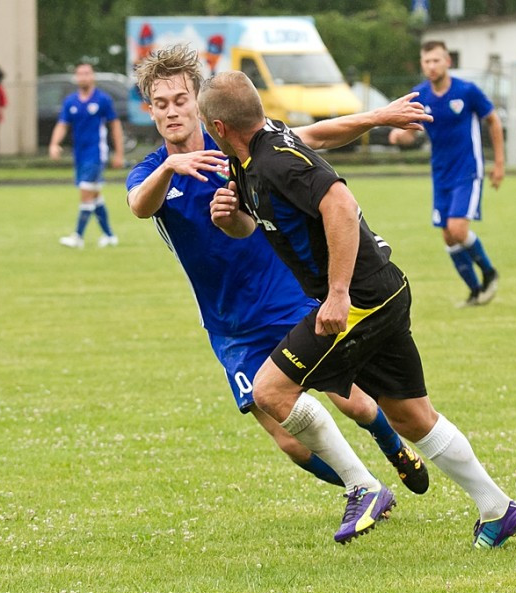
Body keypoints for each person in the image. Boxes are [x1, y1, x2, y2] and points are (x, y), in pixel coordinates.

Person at [200, 70, 516, 547]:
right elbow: (316, 142)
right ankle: (499, 510)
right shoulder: (253, 156)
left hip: (362, 299)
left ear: (218, 127)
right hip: (382, 291)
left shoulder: (274, 161)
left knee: (270, 390)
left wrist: (336, 293)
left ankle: (364, 487)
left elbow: (340, 202)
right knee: (413, 417)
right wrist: (232, 218)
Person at [126, 45, 431, 500]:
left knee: (354, 400)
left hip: (286, 297)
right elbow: (138, 205)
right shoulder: (153, 172)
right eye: (161, 104)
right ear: (150, 111)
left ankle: (393, 450)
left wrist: (375, 118)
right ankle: (363, 488)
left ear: (198, 102)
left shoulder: (231, 145)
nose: (172, 112)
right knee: (289, 440)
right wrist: (171, 166)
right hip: (231, 325)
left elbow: (313, 136)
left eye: (181, 100)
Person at [389, 40, 504, 307]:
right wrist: (397, 135)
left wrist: (499, 163)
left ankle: (489, 273)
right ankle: (476, 292)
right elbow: (410, 134)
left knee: (457, 228)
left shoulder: (467, 91)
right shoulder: (420, 96)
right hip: (440, 173)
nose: (431, 66)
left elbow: (493, 120)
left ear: (447, 62)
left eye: (436, 61)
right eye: (426, 62)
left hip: (467, 169)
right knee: (447, 235)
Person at [50, 62, 124, 249]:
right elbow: (62, 124)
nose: (83, 77)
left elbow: (114, 125)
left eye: (87, 73)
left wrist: (119, 153)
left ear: (93, 77)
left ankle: (78, 237)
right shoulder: (71, 101)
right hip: (80, 155)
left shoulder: (102, 100)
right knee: (95, 195)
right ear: (76, 78)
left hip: (96, 154)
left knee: (86, 194)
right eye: (80, 74)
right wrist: (54, 144)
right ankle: (109, 236)